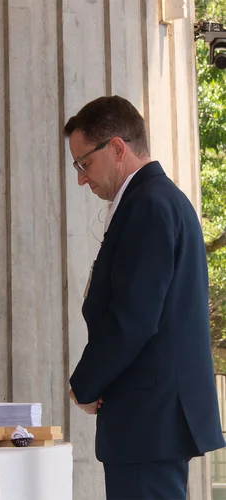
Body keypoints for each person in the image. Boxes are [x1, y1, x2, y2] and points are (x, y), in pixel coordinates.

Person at [65, 95, 225, 499]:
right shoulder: (155, 199)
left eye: (84, 163)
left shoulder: (148, 203)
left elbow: (133, 317)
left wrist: (87, 383)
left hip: (147, 418)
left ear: (117, 148)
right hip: (151, 418)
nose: (81, 179)